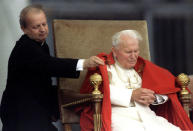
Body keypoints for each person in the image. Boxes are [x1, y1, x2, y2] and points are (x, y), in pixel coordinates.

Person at [0, 4, 104, 131]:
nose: (42, 29)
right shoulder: (26, 47)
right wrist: (84, 63)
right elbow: (50, 65)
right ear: (24, 29)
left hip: (34, 109)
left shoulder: (41, 44)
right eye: (36, 27)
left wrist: (53, 109)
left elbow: (43, 83)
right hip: (20, 114)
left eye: (44, 24)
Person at [78, 30, 193, 131]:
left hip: (148, 115)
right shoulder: (104, 67)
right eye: (128, 52)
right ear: (114, 51)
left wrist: (155, 98)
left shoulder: (142, 66)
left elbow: (167, 88)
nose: (133, 56)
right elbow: (99, 92)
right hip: (118, 117)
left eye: (136, 51)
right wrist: (131, 95)